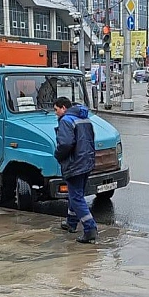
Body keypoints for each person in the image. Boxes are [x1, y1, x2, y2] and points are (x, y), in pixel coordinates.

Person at [54, 96, 98, 243]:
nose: (55, 113)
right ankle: (71, 222)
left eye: (56, 110)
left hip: (75, 163)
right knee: (76, 194)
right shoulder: (85, 119)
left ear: (63, 108)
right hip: (87, 161)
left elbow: (65, 144)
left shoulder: (66, 121)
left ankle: (90, 229)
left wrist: (58, 155)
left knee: (76, 197)